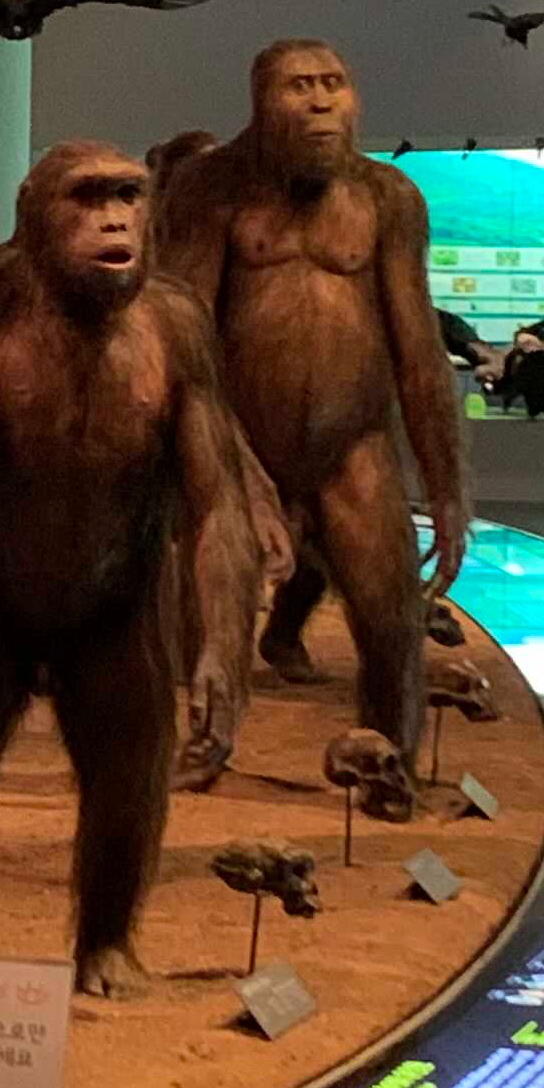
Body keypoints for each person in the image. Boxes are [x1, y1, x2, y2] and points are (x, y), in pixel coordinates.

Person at [153, 40, 468, 786]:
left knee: (390, 614)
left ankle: (387, 761)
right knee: (212, 620)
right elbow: (183, 338)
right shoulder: (212, 189)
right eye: (300, 86)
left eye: (334, 84)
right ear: (262, 100)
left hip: (352, 445)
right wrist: (235, 469)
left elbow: (419, 350)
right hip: (236, 438)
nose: (322, 101)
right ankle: (200, 750)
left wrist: (448, 487)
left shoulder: (387, 198)